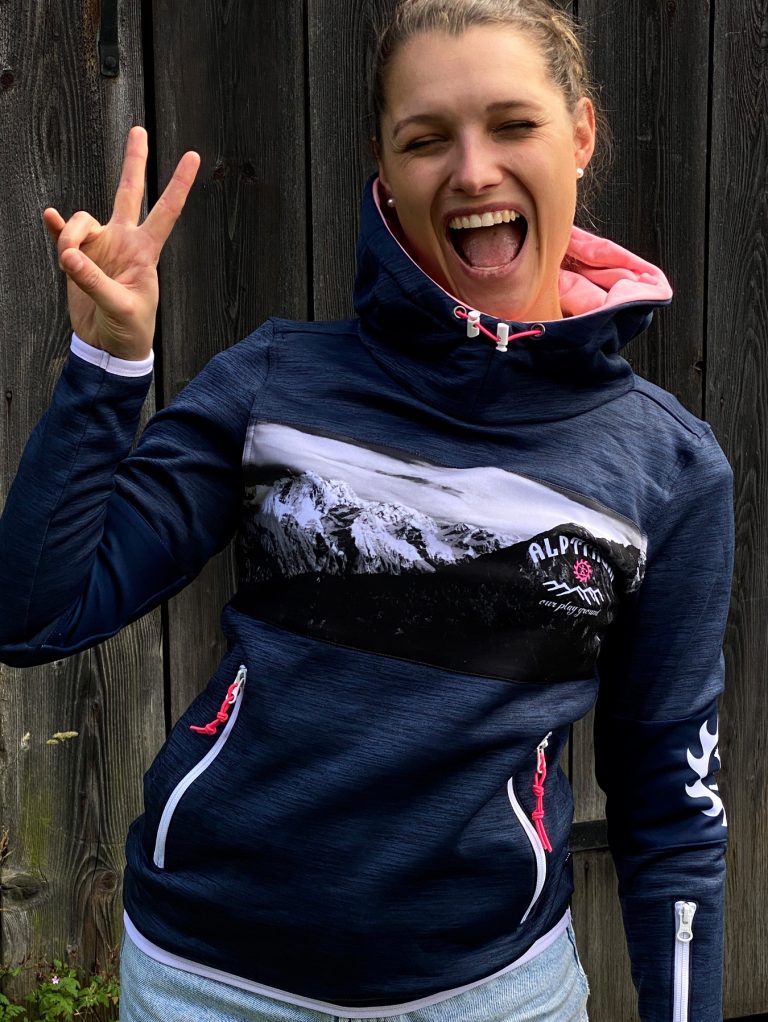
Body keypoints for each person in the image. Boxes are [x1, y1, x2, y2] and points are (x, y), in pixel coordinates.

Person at [0, 1, 733, 1020]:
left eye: (513, 124)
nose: (472, 170)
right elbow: (36, 613)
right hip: (205, 982)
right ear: (384, 169)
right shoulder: (273, 379)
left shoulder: (670, 467)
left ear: (580, 135)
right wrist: (105, 365)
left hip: (494, 993)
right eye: (426, 139)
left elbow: (672, 806)